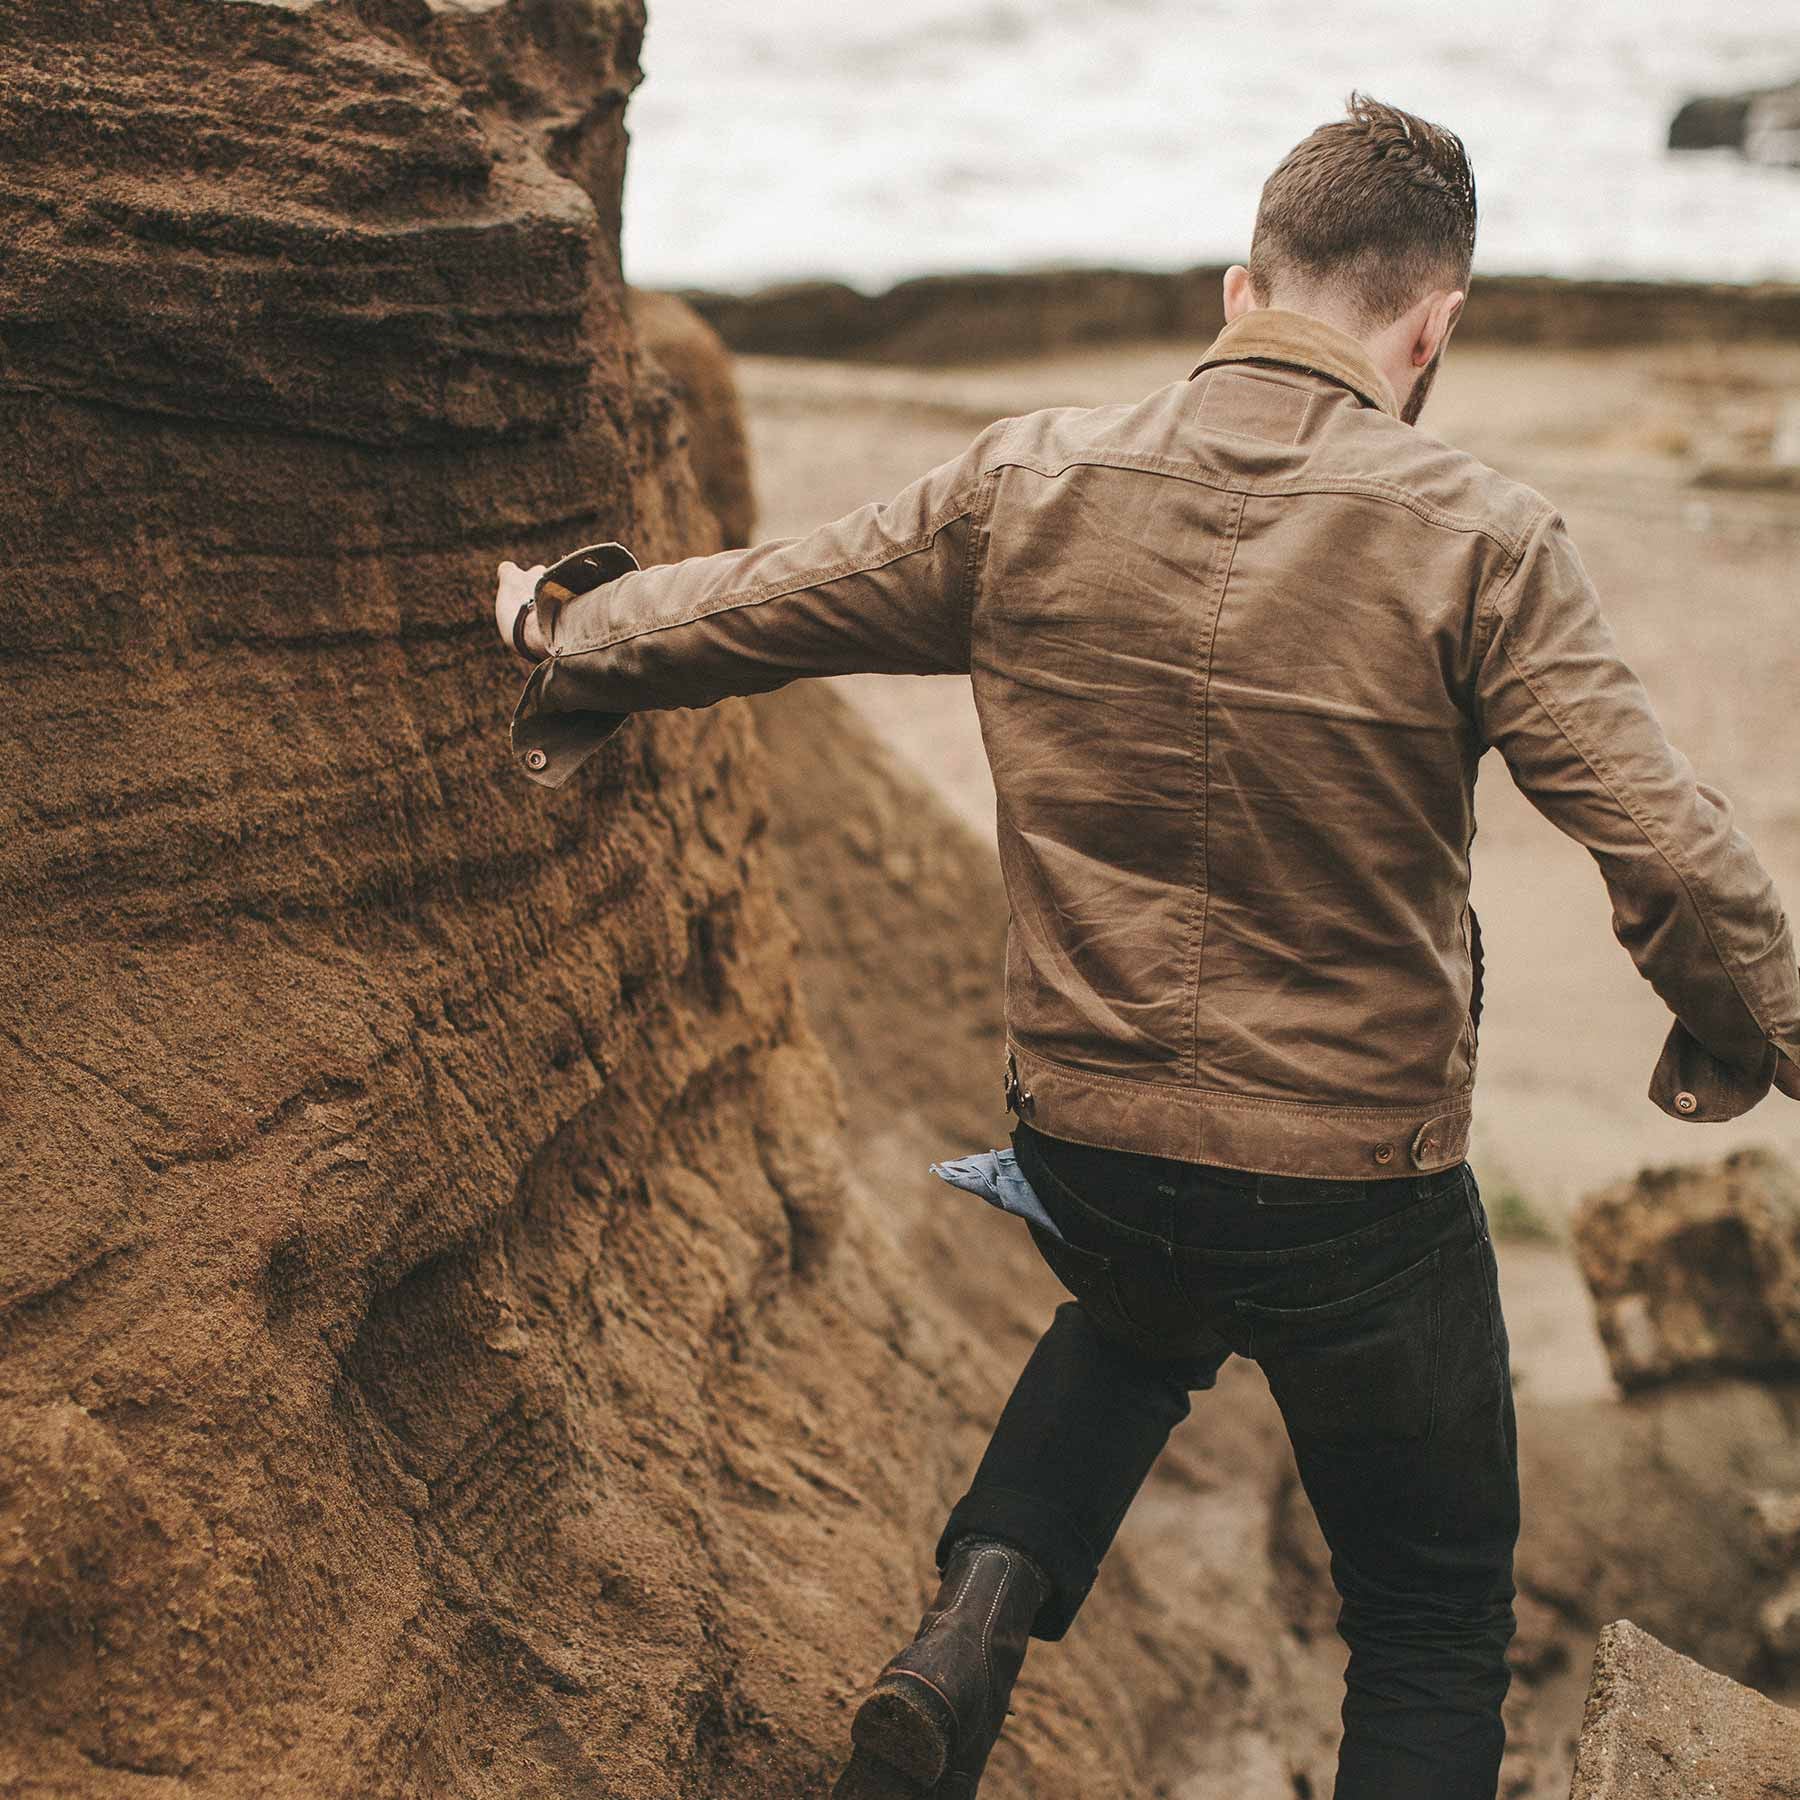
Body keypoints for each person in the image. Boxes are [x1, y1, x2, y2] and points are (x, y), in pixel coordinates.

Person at [492, 93, 1800, 1800]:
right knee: (1425, 1618)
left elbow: (762, 602)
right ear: (1436, 327)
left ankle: (969, 1620)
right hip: (1356, 1189)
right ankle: (1001, 1617)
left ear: (1241, 287)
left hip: (1093, 1141)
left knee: (1139, 1309)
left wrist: (566, 622)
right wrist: (1747, 1032)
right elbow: (1678, 863)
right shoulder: (1482, 539)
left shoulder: (1022, 481)